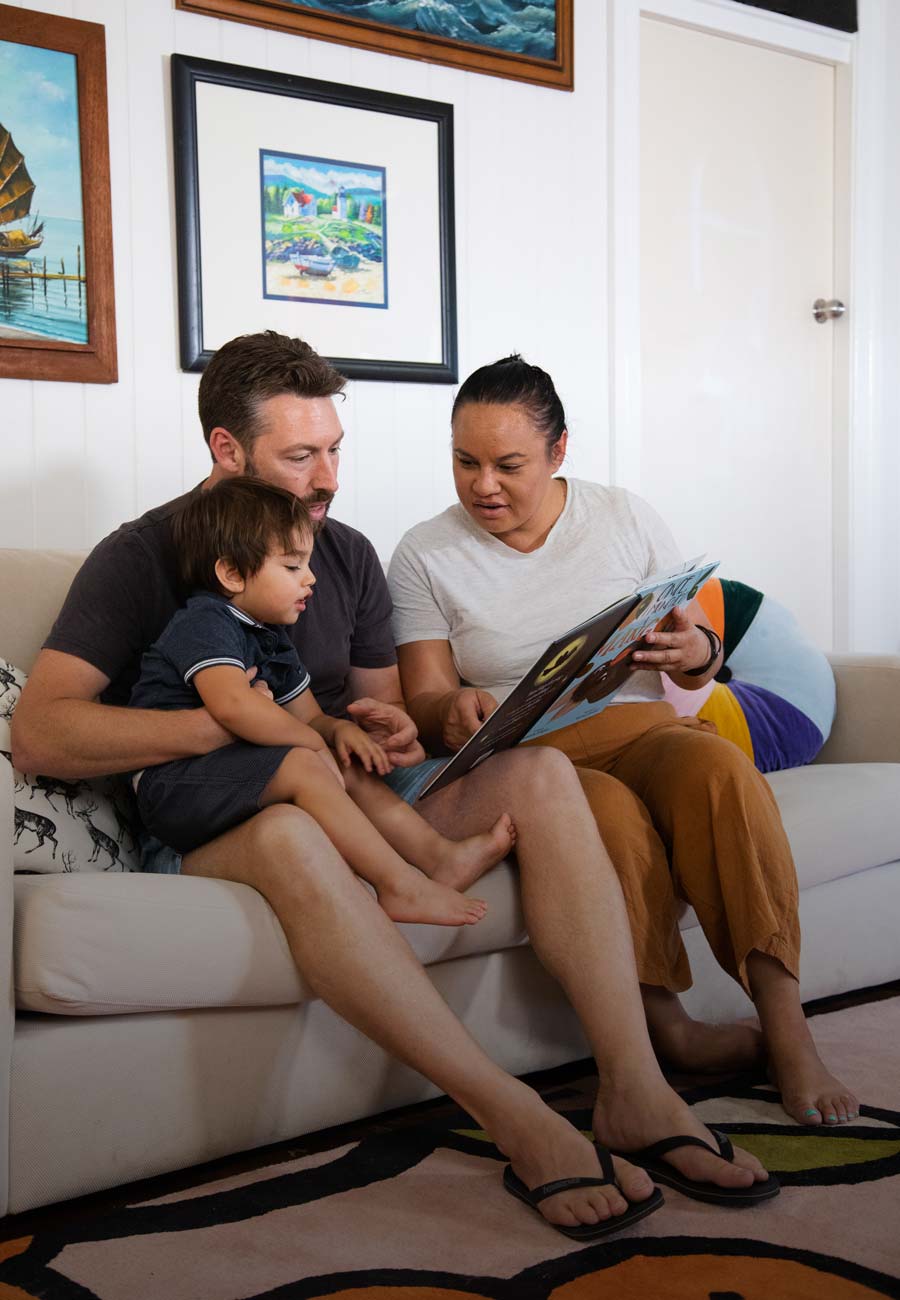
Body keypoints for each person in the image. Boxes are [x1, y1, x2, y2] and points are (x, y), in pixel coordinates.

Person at [12, 331, 775, 1241]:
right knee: (295, 829)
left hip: (339, 784)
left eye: (335, 448)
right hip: (215, 809)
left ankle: (636, 1092)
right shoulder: (144, 555)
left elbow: (379, 712)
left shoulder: (341, 550)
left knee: (537, 774)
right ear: (227, 450)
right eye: (301, 456)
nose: (328, 477)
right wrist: (230, 724)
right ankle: (514, 1115)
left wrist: (391, 724)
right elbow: (42, 730)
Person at [388, 353, 859, 1131]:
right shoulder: (422, 553)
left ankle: (787, 1028)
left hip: (644, 727)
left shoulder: (622, 515)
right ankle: (667, 1028)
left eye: (508, 465)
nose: (483, 486)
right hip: (537, 762)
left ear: (560, 451)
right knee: (606, 814)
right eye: (464, 462)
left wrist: (694, 651)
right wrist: (453, 708)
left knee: (718, 767)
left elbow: (699, 642)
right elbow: (426, 694)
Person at [130, 477, 513, 926]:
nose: (310, 577)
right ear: (231, 573)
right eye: (292, 567)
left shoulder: (270, 638)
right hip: (173, 788)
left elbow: (308, 717)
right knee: (304, 760)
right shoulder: (205, 622)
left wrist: (339, 732)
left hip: (232, 778)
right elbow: (235, 707)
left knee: (343, 758)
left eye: (308, 563)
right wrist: (312, 746)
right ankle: (398, 886)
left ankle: (438, 857)